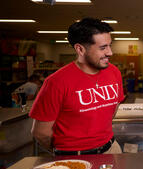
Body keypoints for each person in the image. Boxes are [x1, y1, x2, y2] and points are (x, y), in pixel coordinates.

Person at [30, 18, 124, 155]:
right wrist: (66, 153)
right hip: (74, 157)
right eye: (103, 48)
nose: (110, 52)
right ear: (80, 49)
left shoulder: (114, 72)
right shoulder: (56, 82)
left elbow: (112, 109)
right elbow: (41, 132)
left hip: (111, 149)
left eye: (110, 45)